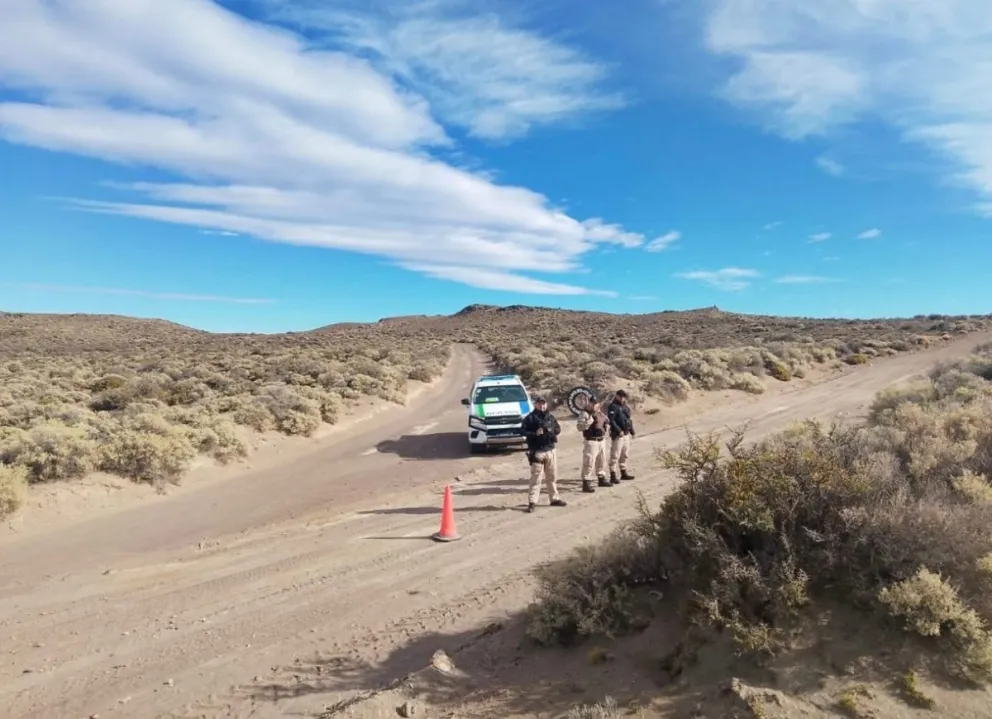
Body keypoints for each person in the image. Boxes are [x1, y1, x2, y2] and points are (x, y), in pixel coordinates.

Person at [521, 396, 566, 513]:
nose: (542, 406)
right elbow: (522, 431)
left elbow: (558, 429)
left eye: (543, 404)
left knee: (552, 477)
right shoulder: (530, 418)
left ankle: (554, 499)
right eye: (540, 404)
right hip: (537, 452)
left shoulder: (550, 417)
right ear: (535, 405)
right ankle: (532, 502)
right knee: (536, 479)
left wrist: (551, 431)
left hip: (550, 450)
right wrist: (535, 434)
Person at [576, 396, 610, 493]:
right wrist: (589, 421)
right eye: (594, 404)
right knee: (589, 462)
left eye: (597, 404)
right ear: (590, 404)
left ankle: (601, 478)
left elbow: (607, 421)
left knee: (602, 461)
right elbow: (579, 427)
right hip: (591, 441)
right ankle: (586, 482)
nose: (596, 406)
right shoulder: (585, 413)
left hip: (601, 440)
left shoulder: (599, 413)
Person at [607, 389, 636, 482]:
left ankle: (623, 473)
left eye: (624, 397)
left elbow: (629, 420)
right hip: (618, 435)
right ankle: (613, 475)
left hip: (626, 433)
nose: (622, 398)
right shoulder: (613, 406)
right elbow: (611, 421)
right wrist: (618, 430)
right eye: (621, 396)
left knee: (624, 454)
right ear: (617, 396)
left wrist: (632, 431)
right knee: (615, 455)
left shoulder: (625, 407)